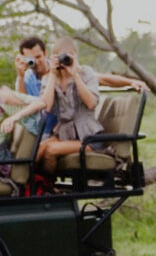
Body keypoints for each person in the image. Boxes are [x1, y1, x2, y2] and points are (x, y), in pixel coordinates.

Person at [14, 36, 148, 136]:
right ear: (23, 58)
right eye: (30, 59)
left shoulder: (62, 66)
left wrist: (130, 82)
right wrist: (20, 77)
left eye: (38, 57)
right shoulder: (27, 77)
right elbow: (22, 102)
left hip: (63, 127)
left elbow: (101, 78)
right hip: (40, 128)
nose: (36, 62)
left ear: (45, 54)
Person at [36, 38, 106, 175]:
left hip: (89, 137)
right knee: (39, 148)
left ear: (76, 56)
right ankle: (30, 187)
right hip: (64, 134)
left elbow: (91, 104)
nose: (65, 60)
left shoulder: (86, 73)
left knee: (51, 150)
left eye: (68, 55)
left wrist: (74, 75)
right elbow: (47, 107)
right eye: (61, 56)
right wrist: (52, 74)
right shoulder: (50, 78)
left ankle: (47, 188)